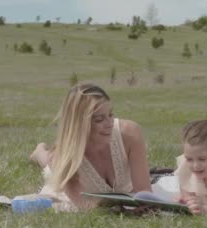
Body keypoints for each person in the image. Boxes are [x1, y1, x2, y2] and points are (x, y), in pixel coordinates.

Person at [30, 83, 152, 211]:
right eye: (99, 119)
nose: (109, 123)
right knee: (49, 164)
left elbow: (144, 191)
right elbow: (85, 207)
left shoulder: (130, 133)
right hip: (59, 159)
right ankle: (39, 152)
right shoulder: (61, 159)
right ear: (78, 125)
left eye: (110, 115)